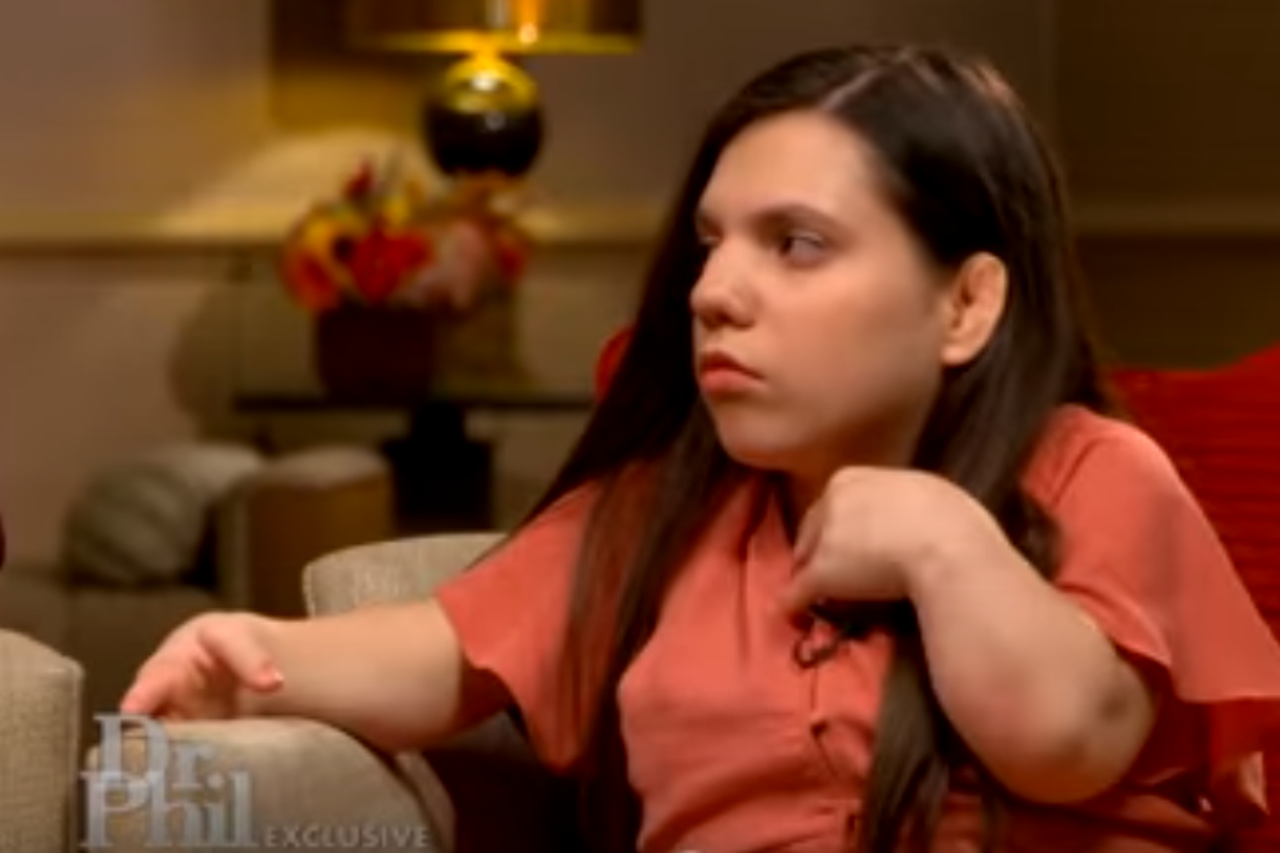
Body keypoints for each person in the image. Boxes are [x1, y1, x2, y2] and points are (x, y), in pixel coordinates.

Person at [122, 44, 1280, 853]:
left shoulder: (1088, 471)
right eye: (710, 244)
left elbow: (1067, 738)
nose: (713, 291)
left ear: (965, 304)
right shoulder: (659, 512)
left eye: (796, 245)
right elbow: (441, 652)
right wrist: (256, 652)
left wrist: (944, 545)